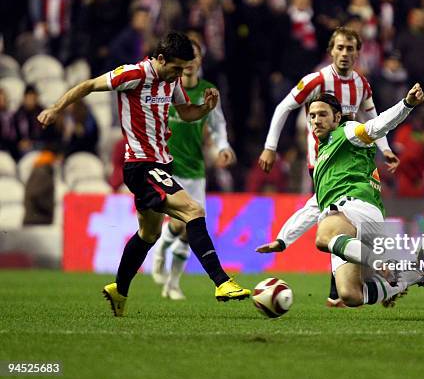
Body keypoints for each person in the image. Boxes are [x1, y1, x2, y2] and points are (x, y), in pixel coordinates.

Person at [38, 31, 250, 317]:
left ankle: (119, 289)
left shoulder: (170, 79)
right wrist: (55, 108)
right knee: (194, 210)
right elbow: (88, 85)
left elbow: (185, 112)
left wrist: (204, 108)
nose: (179, 74)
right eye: (175, 68)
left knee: (148, 234)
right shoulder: (133, 74)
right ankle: (222, 282)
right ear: (160, 59)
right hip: (141, 165)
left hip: (161, 164)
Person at [258, 86, 424, 308]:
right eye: (312, 116)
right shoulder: (323, 158)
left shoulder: (347, 131)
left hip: (356, 208)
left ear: (337, 117)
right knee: (351, 295)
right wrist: (282, 240)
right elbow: (314, 206)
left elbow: (377, 126)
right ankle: (409, 275)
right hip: (350, 223)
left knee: (323, 237)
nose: (316, 120)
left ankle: (382, 262)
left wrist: (406, 105)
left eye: (322, 114)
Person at [258, 26, 400, 307]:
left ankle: (350, 286)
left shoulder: (361, 84)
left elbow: (372, 119)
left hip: (349, 155)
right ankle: (346, 289)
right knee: (327, 212)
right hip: (321, 159)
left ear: (358, 52)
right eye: (340, 48)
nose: (345, 53)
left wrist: (386, 149)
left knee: (329, 216)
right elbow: (283, 107)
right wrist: (270, 147)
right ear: (330, 51)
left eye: (350, 48)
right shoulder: (316, 80)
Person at [151, 38, 237, 301]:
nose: (189, 63)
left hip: (195, 170)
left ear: (199, 61)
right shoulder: (167, 87)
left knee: (190, 231)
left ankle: (173, 284)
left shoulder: (208, 90)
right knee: (180, 224)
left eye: (194, 57)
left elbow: (217, 122)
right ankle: (161, 249)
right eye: (185, 59)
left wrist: (223, 146)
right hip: (167, 166)